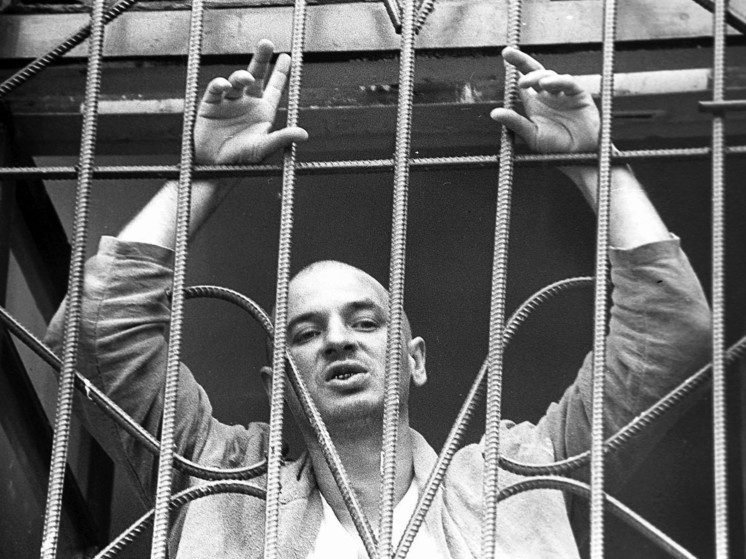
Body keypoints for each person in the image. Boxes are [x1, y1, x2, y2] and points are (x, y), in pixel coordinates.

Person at [46, 40, 711, 557]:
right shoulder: (221, 481)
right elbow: (93, 337)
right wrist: (203, 180)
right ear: (278, 382)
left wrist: (597, 165)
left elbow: (670, 335)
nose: (337, 339)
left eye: (365, 322)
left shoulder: (516, 476)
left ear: (414, 358)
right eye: (305, 332)